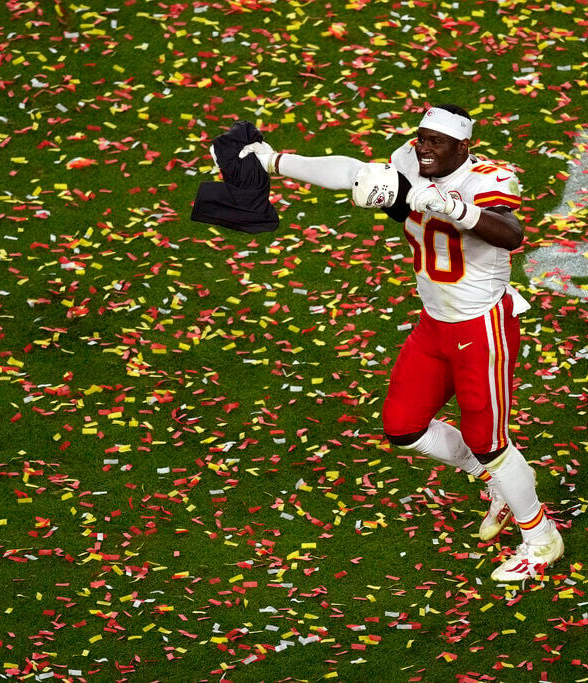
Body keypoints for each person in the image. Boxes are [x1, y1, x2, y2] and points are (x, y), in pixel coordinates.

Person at [240, 104, 563, 581]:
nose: (423, 147)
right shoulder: (409, 161)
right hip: (435, 323)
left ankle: (540, 538)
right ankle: (495, 484)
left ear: (463, 146)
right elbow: (351, 171)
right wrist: (273, 162)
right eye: (421, 137)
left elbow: (510, 235)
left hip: (481, 326)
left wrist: (452, 206)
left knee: (489, 441)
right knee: (402, 426)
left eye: (436, 141)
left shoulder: (488, 179)